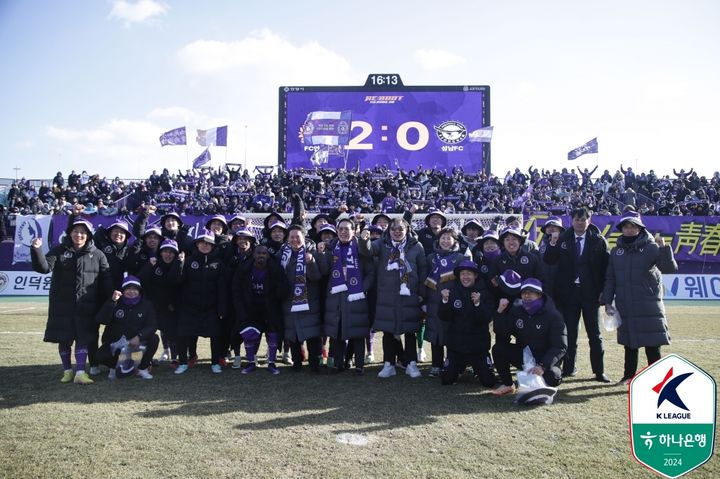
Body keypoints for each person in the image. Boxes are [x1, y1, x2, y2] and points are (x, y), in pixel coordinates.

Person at [31, 218, 112, 385]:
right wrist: (37, 250)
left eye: (83, 232)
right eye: (76, 231)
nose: (79, 235)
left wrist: (112, 296)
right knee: (64, 338)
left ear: (89, 235)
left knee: (83, 338)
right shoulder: (59, 250)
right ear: (70, 233)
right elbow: (44, 268)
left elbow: (106, 280)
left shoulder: (98, 254)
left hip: (86, 305)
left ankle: (81, 372)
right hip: (62, 305)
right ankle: (67, 371)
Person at [601, 211, 678, 385]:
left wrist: (664, 249)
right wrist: (607, 300)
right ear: (622, 229)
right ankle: (629, 376)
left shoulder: (651, 247)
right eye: (626, 226)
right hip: (625, 303)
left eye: (633, 226)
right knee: (630, 343)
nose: (629, 229)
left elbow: (669, 269)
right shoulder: (616, 251)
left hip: (648, 305)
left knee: (652, 345)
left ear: (640, 228)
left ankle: (659, 381)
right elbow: (610, 277)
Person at [543, 207, 610, 382]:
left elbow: (605, 269)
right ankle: (569, 368)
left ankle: (599, 371)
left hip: (591, 295)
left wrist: (603, 292)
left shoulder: (598, 240)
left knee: (594, 334)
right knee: (569, 333)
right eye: (577, 219)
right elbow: (549, 260)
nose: (580, 222)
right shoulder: (562, 238)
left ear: (589, 220)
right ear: (571, 220)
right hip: (568, 294)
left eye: (583, 219)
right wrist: (552, 243)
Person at [359, 218, 427, 378]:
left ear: (407, 230)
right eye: (394, 229)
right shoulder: (382, 245)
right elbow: (367, 251)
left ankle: (411, 364)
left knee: (410, 330)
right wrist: (364, 239)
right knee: (388, 331)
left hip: (410, 295)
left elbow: (423, 270)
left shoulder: (416, 246)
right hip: (387, 296)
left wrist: (422, 294)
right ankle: (388, 364)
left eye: (400, 229)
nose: (397, 232)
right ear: (388, 231)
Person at [317, 218, 374, 374]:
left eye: (347, 229)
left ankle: (359, 366)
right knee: (338, 331)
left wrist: (363, 289)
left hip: (357, 296)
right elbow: (324, 271)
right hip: (336, 296)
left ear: (354, 230)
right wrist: (321, 255)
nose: (343, 232)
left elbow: (371, 273)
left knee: (358, 331)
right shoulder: (330, 248)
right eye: (340, 229)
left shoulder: (361, 248)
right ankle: (338, 364)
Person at [491, 278, 567, 396]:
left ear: (539, 295)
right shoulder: (517, 311)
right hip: (525, 356)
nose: (527, 296)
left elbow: (560, 346)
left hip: (544, 359)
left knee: (553, 377)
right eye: (524, 293)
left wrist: (542, 366)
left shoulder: (554, 316)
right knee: (498, 349)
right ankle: (507, 384)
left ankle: (535, 383)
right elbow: (503, 332)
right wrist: (500, 313)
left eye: (531, 292)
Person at [175, 230, 228, 374]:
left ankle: (215, 363)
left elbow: (222, 289)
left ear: (213, 246)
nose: (205, 245)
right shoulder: (189, 261)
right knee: (184, 334)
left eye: (208, 243)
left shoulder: (218, 263)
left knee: (216, 335)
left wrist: (222, 308)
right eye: (202, 243)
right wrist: (180, 264)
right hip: (189, 307)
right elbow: (179, 282)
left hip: (211, 307)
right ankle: (183, 362)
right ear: (196, 244)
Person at [232, 245, 289, 375]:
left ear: (268, 256)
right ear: (253, 255)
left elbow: (284, 289)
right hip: (251, 308)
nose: (261, 255)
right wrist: (240, 308)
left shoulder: (276, 269)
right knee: (249, 334)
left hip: (270, 307)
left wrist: (277, 293)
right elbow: (236, 289)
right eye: (258, 253)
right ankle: (251, 362)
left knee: (273, 334)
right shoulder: (244, 268)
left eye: (264, 253)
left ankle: (272, 363)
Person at [438, 261, 496, 387]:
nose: (465, 277)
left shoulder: (484, 293)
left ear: (475, 275)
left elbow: (487, 318)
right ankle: (459, 368)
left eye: (469, 274)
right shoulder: (452, 292)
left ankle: (477, 368)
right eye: (463, 274)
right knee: (446, 380)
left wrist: (478, 304)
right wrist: (445, 301)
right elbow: (443, 316)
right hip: (456, 347)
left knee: (489, 382)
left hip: (478, 348)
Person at [95, 276, 160, 380]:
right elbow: (101, 319)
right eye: (128, 289)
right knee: (99, 355)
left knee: (154, 339)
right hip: (116, 342)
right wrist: (112, 302)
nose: (132, 291)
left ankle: (142, 368)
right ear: (123, 290)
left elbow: (152, 325)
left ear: (139, 291)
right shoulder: (115, 302)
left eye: (135, 289)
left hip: (136, 342)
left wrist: (139, 336)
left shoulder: (146, 305)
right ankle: (114, 366)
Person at [280, 225, 323, 372]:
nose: (294, 239)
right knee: (293, 334)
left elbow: (316, 277)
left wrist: (310, 263)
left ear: (304, 238)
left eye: (297, 236)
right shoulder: (283, 254)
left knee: (312, 334)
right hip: (289, 300)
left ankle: (314, 363)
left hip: (309, 300)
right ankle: (297, 362)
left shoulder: (312, 252)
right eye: (291, 237)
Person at [423, 227, 465, 376]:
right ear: (438, 240)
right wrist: (424, 301)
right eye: (443, 238)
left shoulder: (460, 258)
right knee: (435, 334)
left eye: (449, 238)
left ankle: (452, 364)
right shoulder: (430, 258)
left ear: (454, 241)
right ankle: (436, 364)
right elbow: (424, 280)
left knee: (452, 333)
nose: (446, 241)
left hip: (453, 301)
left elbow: (464, 281)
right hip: (433, 301)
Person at [138, 239, 183, 366]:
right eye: (165, 251)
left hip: (170, 308)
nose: (168, 255)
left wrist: (179, 263)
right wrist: (148, 266)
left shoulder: (179, 264)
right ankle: (147, 361)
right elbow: (141, 280)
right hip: (153, 307)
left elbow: (176, 282)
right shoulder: (154, 264)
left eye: (171, 252)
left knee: (172, 333)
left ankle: (174, 358)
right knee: (148, 334)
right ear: (160, 253)